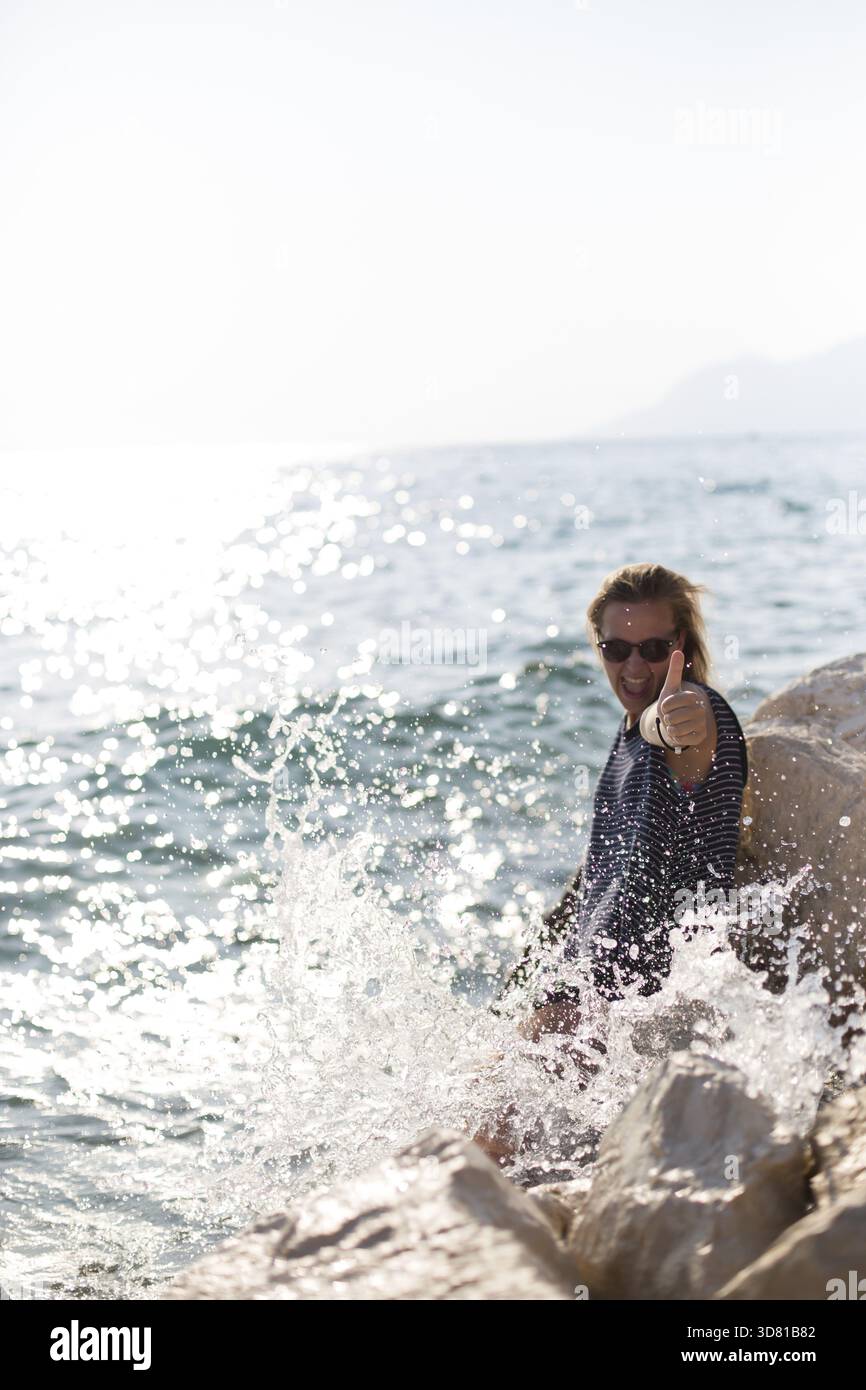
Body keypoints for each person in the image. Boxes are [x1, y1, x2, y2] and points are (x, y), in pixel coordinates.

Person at [472, 562, 749, 1164]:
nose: (634, 667)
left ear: (684, 646)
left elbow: (677, 727)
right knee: (475, 1131)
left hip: (631, 995)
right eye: (616, 648)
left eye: (654, 648)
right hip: (586, 991)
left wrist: (672, 717)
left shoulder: (693, 714)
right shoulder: (626, 737)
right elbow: (599, 877)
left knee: (471, 1159)